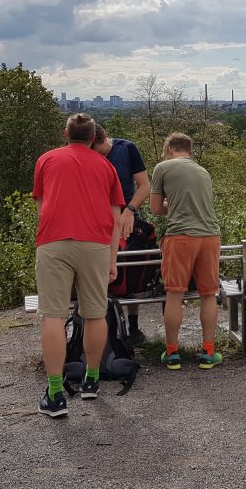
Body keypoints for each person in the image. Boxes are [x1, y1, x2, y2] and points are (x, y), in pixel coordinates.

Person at [33, 114, 124, 417]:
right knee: (96, 314)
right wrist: (112, 260)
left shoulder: (46, 160)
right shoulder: (106, 166)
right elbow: (114, 218)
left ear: (66, 134)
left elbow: (41, 206)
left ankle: (56, 392)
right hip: (96, 244)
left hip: (54, 241)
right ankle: (92, 381)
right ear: (94, 138)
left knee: (53, 316)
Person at [149, 133, 223, 370]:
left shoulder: (163, 167)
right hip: (210, 236)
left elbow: (155, 209)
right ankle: (208, 352)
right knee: (209, 294)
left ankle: (172, 354)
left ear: (169, 148)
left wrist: (170, 204)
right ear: (190, 152)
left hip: (181, 236)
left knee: (174, 293)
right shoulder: (203, 171)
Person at [92, 125, 150, 344]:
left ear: (103, 139)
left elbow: (144, 186)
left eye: (99, 151)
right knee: (102, 269)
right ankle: (106, 324)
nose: (98, 157)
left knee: (131, 268)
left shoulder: (127, 149)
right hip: (99, 220)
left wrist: (130, 211)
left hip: (128, 215)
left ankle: (133, 326)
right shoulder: (88, 153)